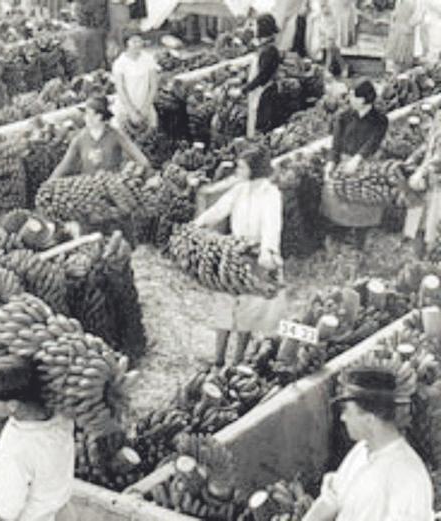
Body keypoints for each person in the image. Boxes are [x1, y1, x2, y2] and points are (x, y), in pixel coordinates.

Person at [192, 147, 287, 366]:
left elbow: (273, 226)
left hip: (258, 255)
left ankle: (237, 360)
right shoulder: (240, 189)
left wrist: (267, 251)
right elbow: (219, 210)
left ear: (255, 169)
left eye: (242, 166)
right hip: (235, 251)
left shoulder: (270, 193)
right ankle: (218, 358)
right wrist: (198, 224)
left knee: (249, 310)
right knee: (224, 305)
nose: (238, 169)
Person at [302, 365, 433, 520]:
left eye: (348, 411)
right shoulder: (361, 451)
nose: (343, 418)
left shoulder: (407, 477)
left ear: (370, 419)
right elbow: (332, 499)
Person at [0, 363, 75, 521]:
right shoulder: (63, 420)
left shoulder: (16, 445)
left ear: (13, 405)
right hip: (62, 512)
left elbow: (6, 508)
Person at [321, 80, 388, 250]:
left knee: (363, 202)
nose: (349, 98)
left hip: (366, 164)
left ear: (364, 99)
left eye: (354, 95)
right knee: (336, 198)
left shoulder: (380, 120)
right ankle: (338, 238)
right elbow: (336, 143)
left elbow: (373, 142)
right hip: (344, 161)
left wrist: (357, 159)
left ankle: (359, 241)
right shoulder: (343, 117)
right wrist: (331, 162)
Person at [51, 96, 151, 179]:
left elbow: (142, 160)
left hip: (112, 189)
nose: (85, 117)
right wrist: (48, 184)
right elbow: (64, 166)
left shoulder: (116, 135)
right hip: (88, 191)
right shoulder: (79, 139)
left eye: (88, 113)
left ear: (99, 116)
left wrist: (132, 174)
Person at [229, 14, 283, 139]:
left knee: (261, 127)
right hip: (260, 91)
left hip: (265, 93)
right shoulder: (264, 47)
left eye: (255, 26)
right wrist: (242, 79)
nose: (253, 29)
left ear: (263, 28)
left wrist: (243, 90)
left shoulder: (270, 50)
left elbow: (262, 77)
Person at [402, 110, 441, 256]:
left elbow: (439, 157)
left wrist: (421, 171)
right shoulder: (439, 115)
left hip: (438, 180)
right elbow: (428, 144)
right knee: (417, 213)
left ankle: (429, 254)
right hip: (428, 176)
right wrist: (412, 158)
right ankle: (413, 251)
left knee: (433, 220)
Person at [111, 33, 161, 131]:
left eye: (140, 41)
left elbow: (153, 85)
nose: (138, 44)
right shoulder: (120, 63)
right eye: (134, 42)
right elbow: (120, 89)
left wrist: (146, 107)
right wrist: (131, 112)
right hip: (125, 107)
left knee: (151, 134)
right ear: (127, 43)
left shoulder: (148, 59)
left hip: (145, 103)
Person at [385, 0, 423, 73]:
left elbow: (419, 15)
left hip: (407, 31)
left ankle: (402, 75)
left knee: (403, 56)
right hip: (396, 29)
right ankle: (390, 74)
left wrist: (409, 25)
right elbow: (395, 12)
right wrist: (393, 21)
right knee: (391, 55)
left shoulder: (417, 1)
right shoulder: (399, 1)